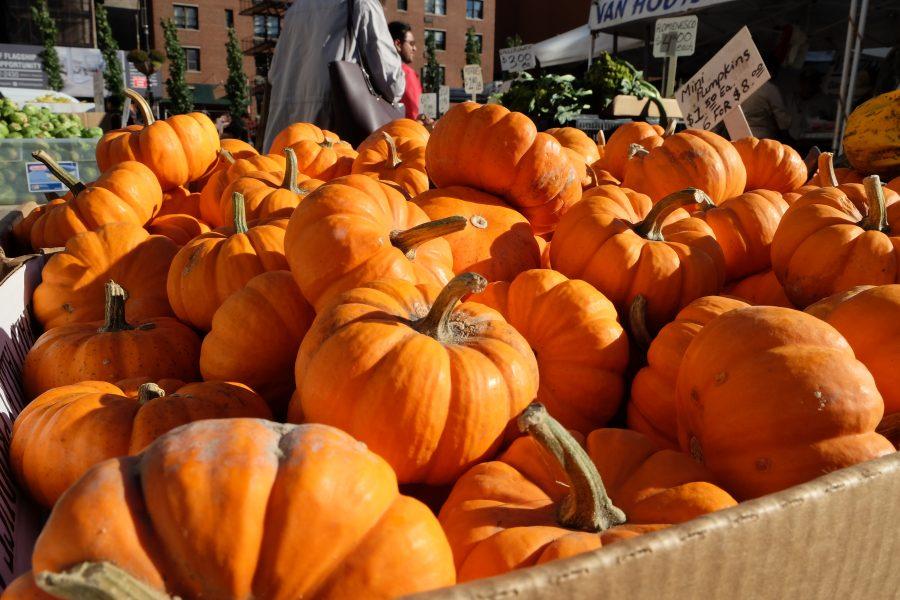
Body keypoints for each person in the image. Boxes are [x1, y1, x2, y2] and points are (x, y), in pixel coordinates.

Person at [262, 0, 404, 152]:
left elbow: (273, 76)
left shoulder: (294, 10)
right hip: (329, 147)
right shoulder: (362, 3)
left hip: (283, 145)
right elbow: (393, 84)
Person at [388, 21, 422, 120]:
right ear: (398, 44)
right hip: (406, 131)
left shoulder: (377, 69)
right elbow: (414, 113)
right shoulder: (406, 73)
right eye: (411, 43)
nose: (414, 48)